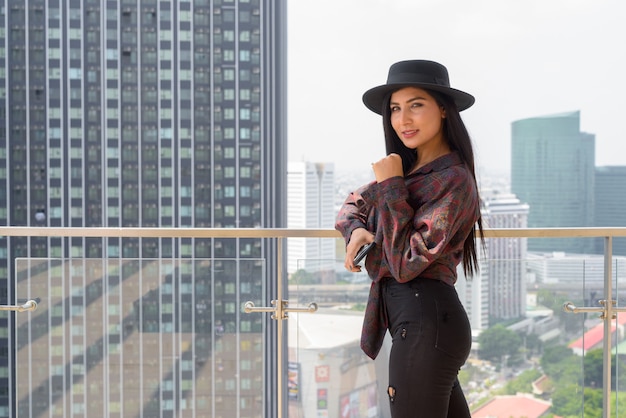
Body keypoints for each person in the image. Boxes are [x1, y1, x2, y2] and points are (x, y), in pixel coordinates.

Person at [335, 60, 484, 417]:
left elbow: (404, 264)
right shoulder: (410, 172)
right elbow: (351, 204)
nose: (403, 119)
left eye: (416, 105)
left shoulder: (454, 179)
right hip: (418, 320)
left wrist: (390, 185)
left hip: (425, 319)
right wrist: (356, 229)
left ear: (444, 110)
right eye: (395, 109)